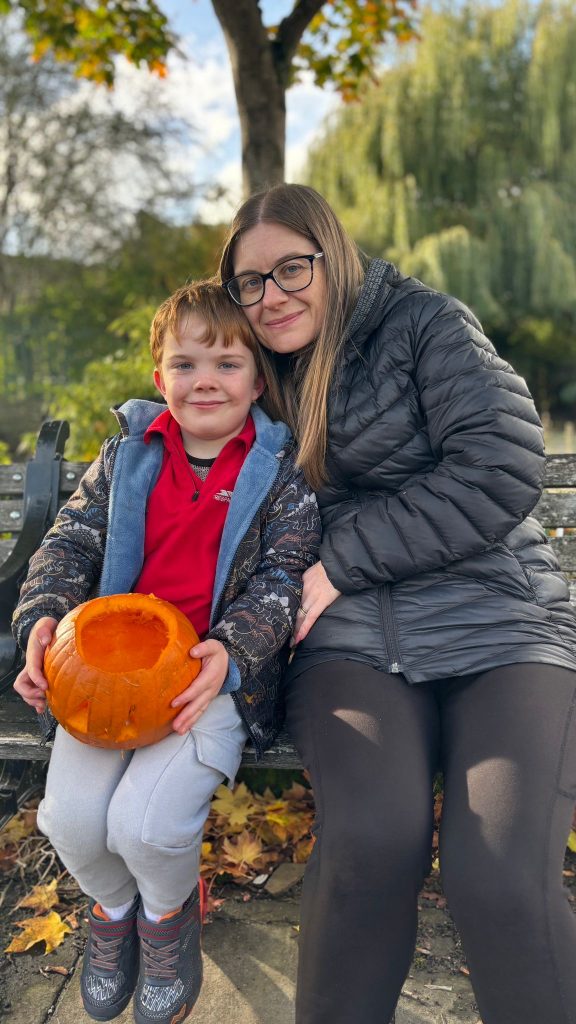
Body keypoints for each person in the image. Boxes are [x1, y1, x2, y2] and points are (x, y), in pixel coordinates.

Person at [219, 183, 576, 1024]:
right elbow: (160, 473)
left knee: (496, 877)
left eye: (291, 269)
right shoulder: (252, 368)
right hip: (347, 639)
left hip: (498, 619)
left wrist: (340, 557)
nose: (272, 297)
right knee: (371, 844)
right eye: (251, 282)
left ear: (332, 255)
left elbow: (499, 468)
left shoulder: (424, 324)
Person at [11, 279, 320, 1024]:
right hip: (102, 677)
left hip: (209, 681)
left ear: (256, 378)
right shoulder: (126, 459)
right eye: (185, 364)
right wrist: (43, 621)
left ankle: (168, 915)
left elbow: (282, 578)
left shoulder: (282, 474)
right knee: (73, 821)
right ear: (160, 379)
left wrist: (230, 648)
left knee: (144, 827)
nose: (205, 380)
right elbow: (66, 546)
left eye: (226, 364)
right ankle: (115, 912)